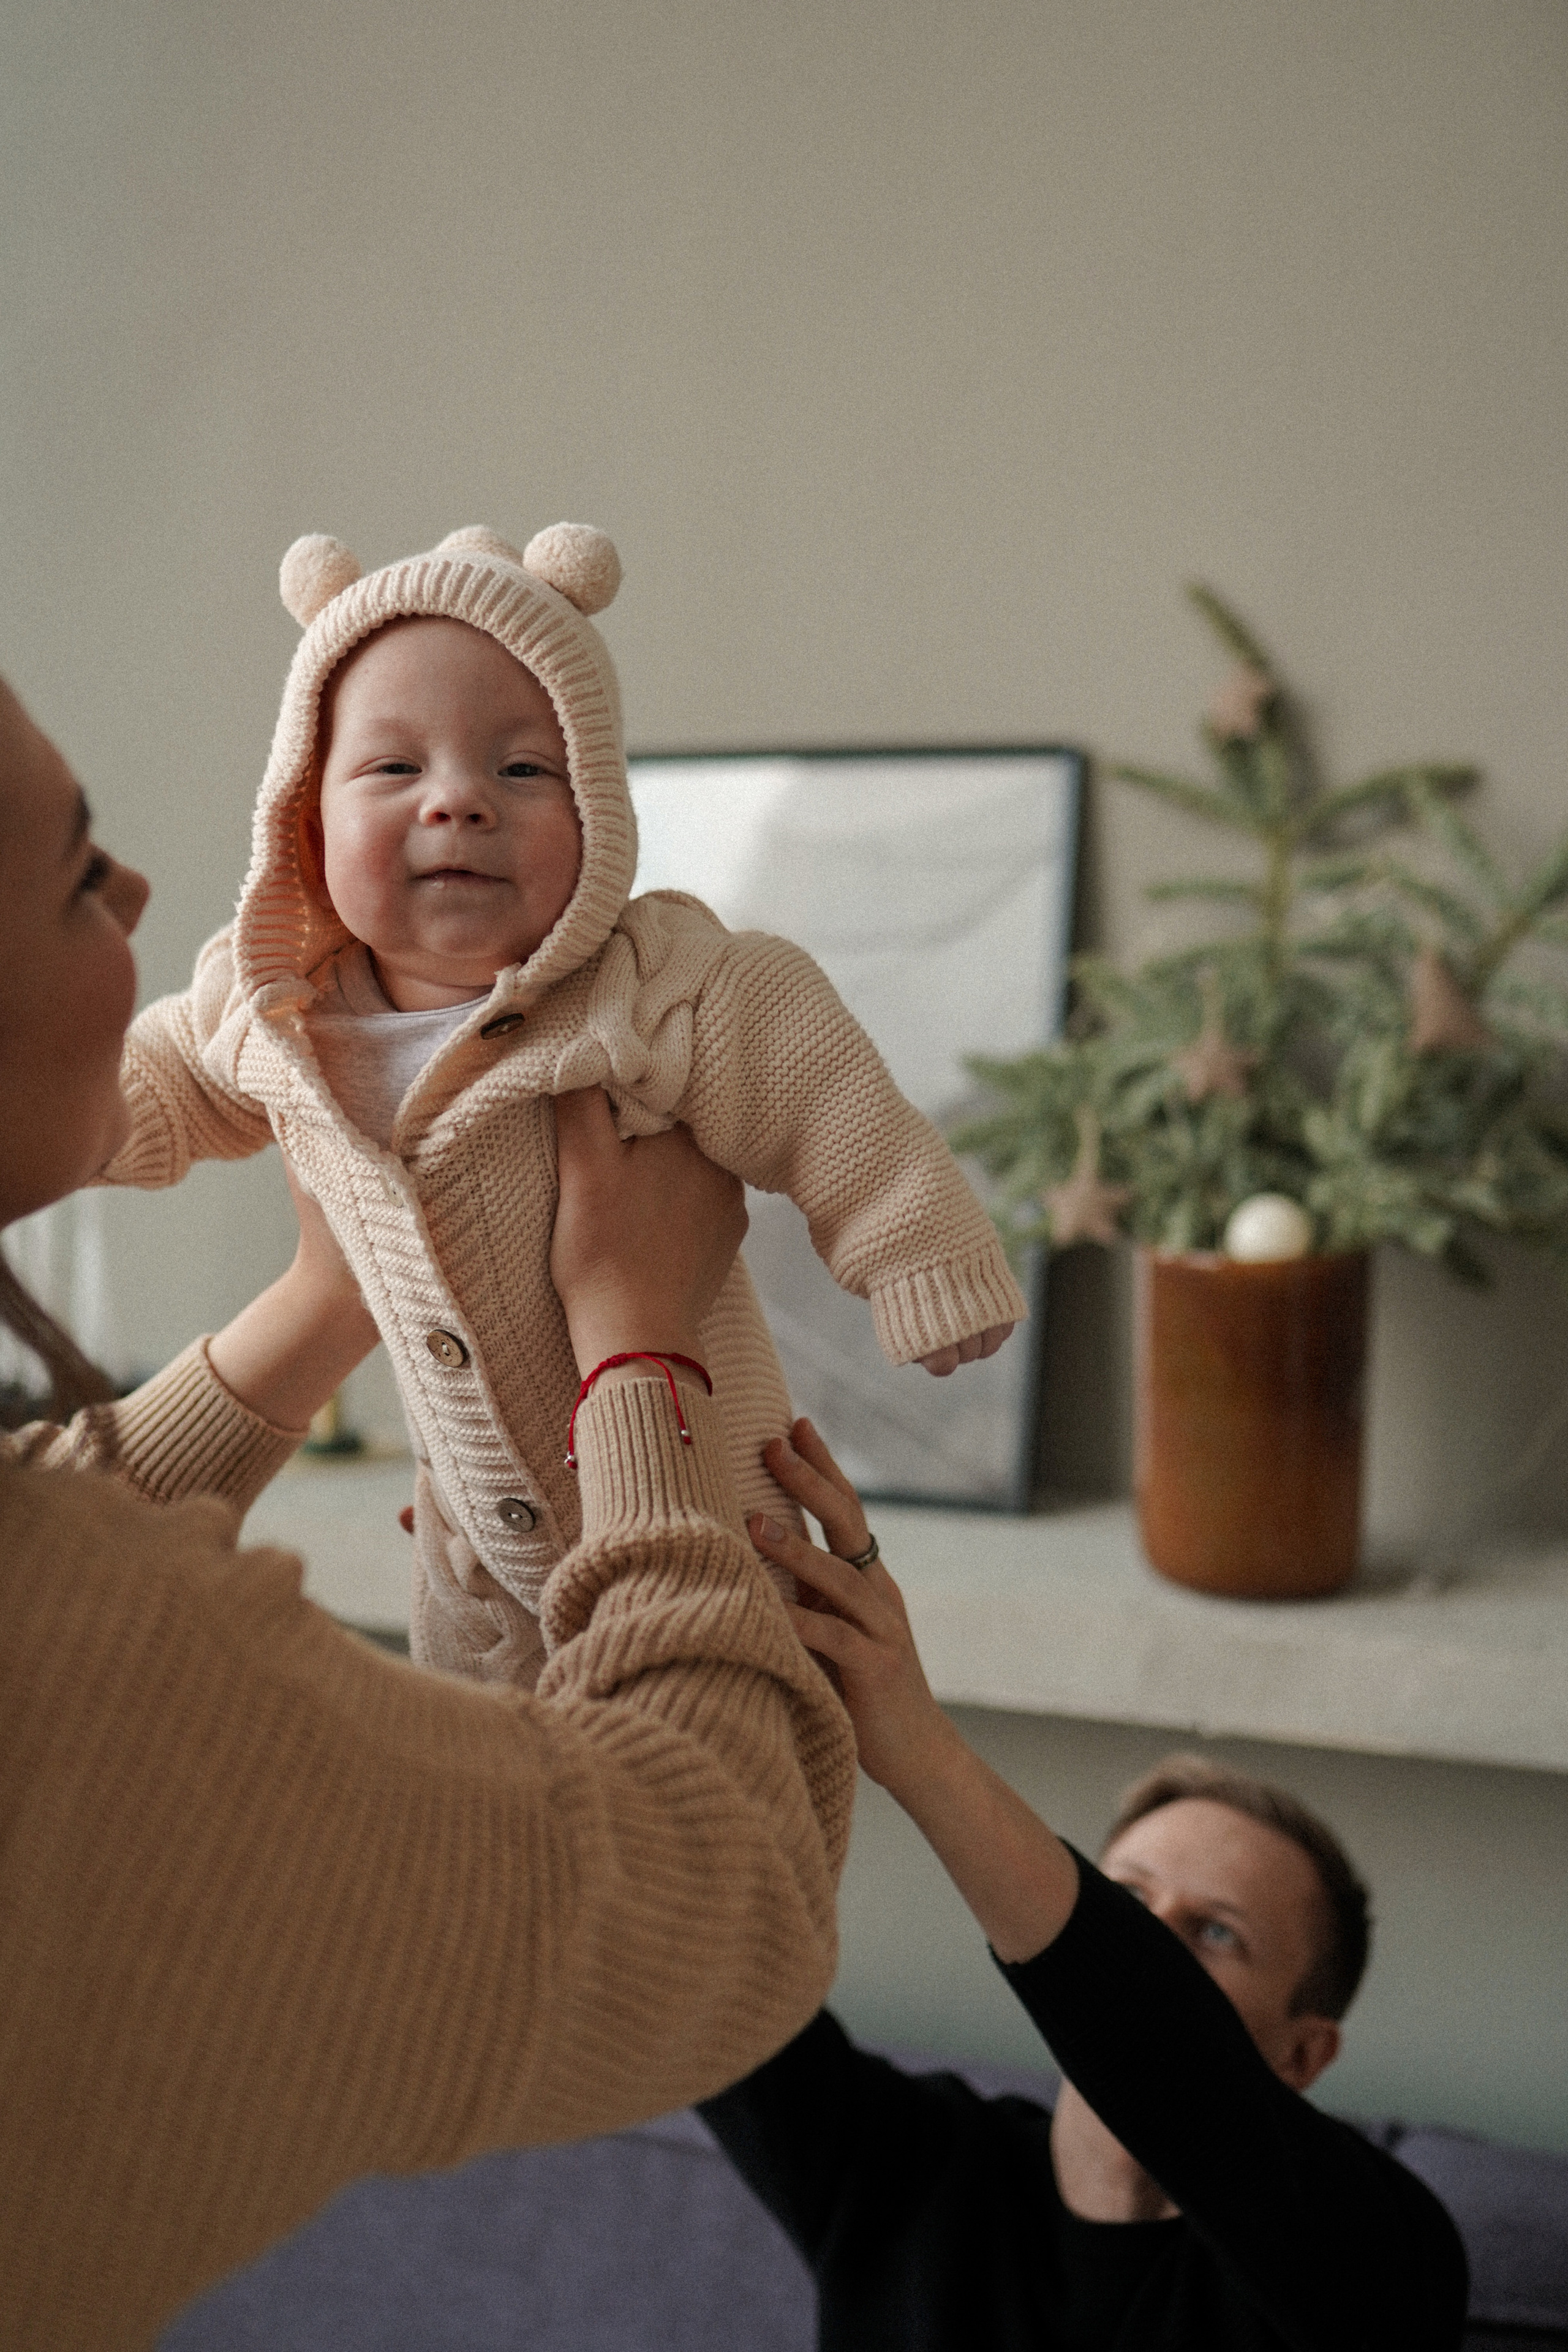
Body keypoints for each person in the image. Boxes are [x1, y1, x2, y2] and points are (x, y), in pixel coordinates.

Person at [0, 673, 857, 2352]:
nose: (143, 899)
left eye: (519, 768)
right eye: (77, 873)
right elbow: (714, 1889)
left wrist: (338, 1290)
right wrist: (635, 1344)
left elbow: (55, 1531)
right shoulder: (97, 1690)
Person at [96, 519, 1022, 1689]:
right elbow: (145, 1083)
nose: (458, 803)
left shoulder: (651, 985)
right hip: (480, 1570)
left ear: (598, 815)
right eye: (393, 768)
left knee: (734, 1793)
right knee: (503, 1819)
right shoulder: (275, 1006)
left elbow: (811, 1072)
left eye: (522, 770)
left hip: (712, 1515)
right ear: (303, 816)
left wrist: (916, 1250)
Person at [698, 1422, 1470, 2351]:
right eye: (1130, 1903)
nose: (1155, 1944)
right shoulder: (912, 2172)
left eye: (1218, 1934)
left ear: (1303, 2056)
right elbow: (692, 1953)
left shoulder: (1386, 2253)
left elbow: (1150, 2035)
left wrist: (925, 1756)